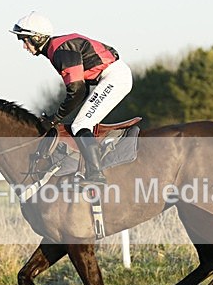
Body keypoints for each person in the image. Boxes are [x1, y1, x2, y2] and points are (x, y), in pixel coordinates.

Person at [9, 11, 133, 184]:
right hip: (111, 76)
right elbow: (79, 92)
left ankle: (96, 175)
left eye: (24, 40)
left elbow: (77, 90)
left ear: (37, 38)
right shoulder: (57, 47)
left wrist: (54, 118)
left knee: (81, 125)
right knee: (80, 122)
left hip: (114, 78)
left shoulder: (60, 51)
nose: (24, 46)